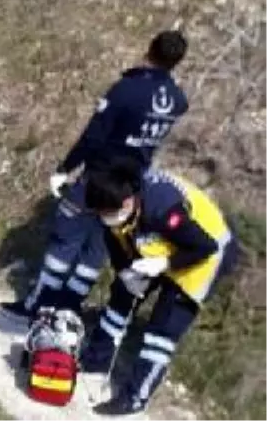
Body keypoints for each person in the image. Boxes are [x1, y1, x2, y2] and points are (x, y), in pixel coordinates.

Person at [0, 30, 189, 322]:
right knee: (97, 251)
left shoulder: (126, 89)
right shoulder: (177, 101)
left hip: (97, 179)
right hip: (129, 189)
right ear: (177, 61)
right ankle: (68, 309)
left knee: (65, 242)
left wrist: (65, 169)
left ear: (149, 49)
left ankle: (38, 306)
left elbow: (94, 136)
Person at [78, 157, 238, 416]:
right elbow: (115, 238)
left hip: (204, 255)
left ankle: (134, 398)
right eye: (100, 214)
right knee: (121, 298)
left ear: (128, 203)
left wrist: (164, 264)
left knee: (161, 330)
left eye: (107, 213)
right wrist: (126, 273)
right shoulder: (116, 199)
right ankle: (95, 361)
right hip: (161, 242)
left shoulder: (163, 209)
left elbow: (204, 247)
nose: (104, 218)